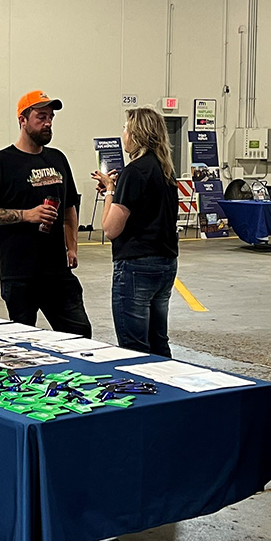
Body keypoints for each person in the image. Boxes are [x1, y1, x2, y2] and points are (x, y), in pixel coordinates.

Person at [0, 90, 91, 337]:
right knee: (25, 340)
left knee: (79, 334)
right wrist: (27, 215)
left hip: (57, 271)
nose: (47, 123)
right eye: (41, 117)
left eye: (50, 117)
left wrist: (72, 247)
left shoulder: (58, 159)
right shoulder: (0, 162)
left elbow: (69, 208)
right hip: (19, 272)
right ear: (22, 120)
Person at [91, 108, 179, 357]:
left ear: (137, 134)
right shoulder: (166, 171)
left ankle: (142, 392)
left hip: (136, 265)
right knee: (158, 341)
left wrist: (110, 191)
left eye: (126, 128)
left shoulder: (134, 171)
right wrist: (117, 190)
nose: (123, 134)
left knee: (135, 348)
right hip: (165, 263)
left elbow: (110, 228)